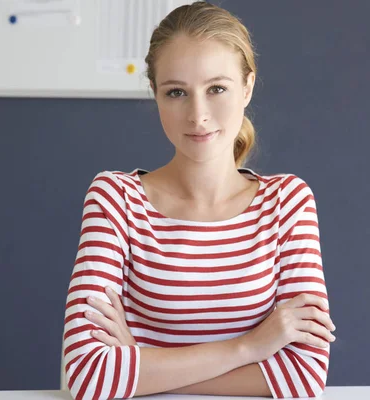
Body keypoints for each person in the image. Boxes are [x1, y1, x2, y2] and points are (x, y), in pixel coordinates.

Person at [62, 2, 336, 399]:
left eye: (217, 88)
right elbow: (89, 376)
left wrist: (141, 360)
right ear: (155, 96)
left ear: (247, 87)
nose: (198, 114)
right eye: (176, 92)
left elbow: (303, 379)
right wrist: (250, 348)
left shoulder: (287, 202)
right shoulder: (116, 198)